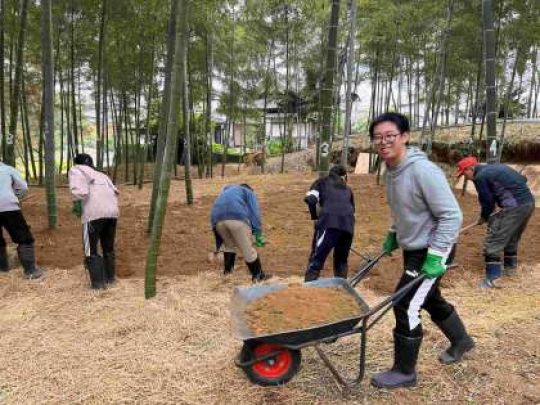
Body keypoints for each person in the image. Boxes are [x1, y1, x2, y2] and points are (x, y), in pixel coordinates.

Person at [369, 112, 474, 389]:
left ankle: (405, 372)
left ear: (404, 136)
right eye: (377, 137)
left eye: (390, 136)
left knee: (404, 303)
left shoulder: (422, 170)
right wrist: (394, 233)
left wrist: (436, 256)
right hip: (414, 248)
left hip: (432, 249)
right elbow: (403, 208)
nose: (383, 142)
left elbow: (452, 216)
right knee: (427, 297)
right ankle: (462, 341)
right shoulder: (390, 169)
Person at [456, 156, 535, 288]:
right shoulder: (497, 168)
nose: (465, 177)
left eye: (464, 173)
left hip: (514, 207)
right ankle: (510, 271)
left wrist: (485, 216)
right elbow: (522, 179)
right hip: (528, 203)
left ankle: (492, 279)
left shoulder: (480, 176)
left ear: (470, 168)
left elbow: (487, 201)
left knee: (493, 242)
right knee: (511, 238)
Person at [68, 153, 119, 289]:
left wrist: (76, 203)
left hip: (93, 214)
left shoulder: (76, 170)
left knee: (89, 249)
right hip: (112, 213)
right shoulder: (101, 174)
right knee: (108, 247)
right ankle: (110, 280)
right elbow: (115, 192)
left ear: (77, 162)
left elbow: (80, 192)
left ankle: (98, 285)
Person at [303, 164, 355, 282]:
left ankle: (307, 290)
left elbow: (311, 200)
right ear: (344, 177)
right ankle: (340, 288)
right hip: (348, 225)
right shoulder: (348, 189)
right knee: (341, 260)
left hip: (329, 223)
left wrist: (315, 218)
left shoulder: (321, 182)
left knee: (316, 258)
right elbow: (352, 210)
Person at [210, 183, 271, 282]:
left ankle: (228, 274)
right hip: (236, 218)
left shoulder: (226, 191)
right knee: (247, 248)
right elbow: (254, 212)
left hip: (217, 220)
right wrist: (257, 231)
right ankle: (258, 276)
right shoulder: (248, 192)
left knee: (229, 245)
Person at [0, 161, 43, 279]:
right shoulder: (7, 169)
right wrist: (15, 196)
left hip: (7, 204)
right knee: (24, 238)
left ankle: (2, 270)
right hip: (8, 206)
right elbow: (23, 187)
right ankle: (30, 271)